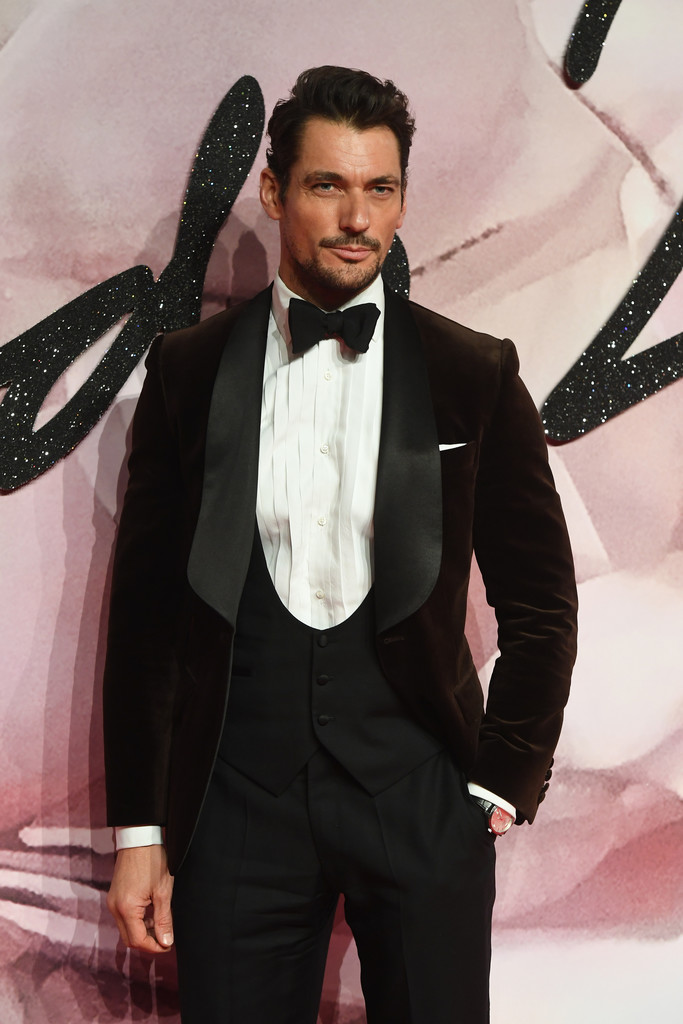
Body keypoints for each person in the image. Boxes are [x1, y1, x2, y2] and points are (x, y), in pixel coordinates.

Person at [103, 65, 578, 1024]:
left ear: (400, 198)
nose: (357, 217)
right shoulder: (189, 370)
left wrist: (502, 777)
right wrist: (141, 831)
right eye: (327, 185)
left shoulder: (472, 372)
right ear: (275, 192)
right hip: (237, 806)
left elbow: (540, 601)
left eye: (380, 188)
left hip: (420, 798)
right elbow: (149, 618)